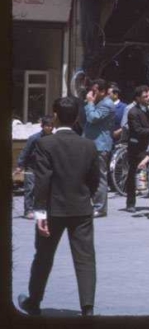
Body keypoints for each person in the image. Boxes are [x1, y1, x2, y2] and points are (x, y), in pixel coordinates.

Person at [17, 97, 99, 317]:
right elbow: (95, 180)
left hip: (52, 210)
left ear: (55, 115)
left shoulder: (45, 144)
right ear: (77, 117)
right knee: (85, 258)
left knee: (43, 256)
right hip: (81, 209)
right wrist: (84, 197)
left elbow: (42, 181)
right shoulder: (89, 145)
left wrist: (39, 212)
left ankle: (34, 301)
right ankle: (87, 307)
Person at [82, 79, 116, 218]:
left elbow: (93, 118)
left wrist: (90, 103)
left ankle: (100, 208)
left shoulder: (107, 104)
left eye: (95, 91)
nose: (91, 94)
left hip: (100, 145)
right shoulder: (97, 103)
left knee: (100, 176)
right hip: (91, 143)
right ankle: (90, 203)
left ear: (102, 91)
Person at [125, 85, 149, 213]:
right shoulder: (133, 112)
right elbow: (137, 130)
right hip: (137, 148)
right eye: (145, 96)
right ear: (138, 98)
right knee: (133, 173)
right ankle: (130, 202)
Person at [14, 117, 55, 219]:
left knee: (46, 188)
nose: (49, 128)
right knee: (30, 189)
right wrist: (20, 165)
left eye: (51, 126)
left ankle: (44, 209)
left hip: (46, 167)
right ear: (42, 126)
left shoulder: (54, 138)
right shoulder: (34, 138)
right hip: (32, 166)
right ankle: (28, 210)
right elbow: (25, 152)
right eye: (47, 126)